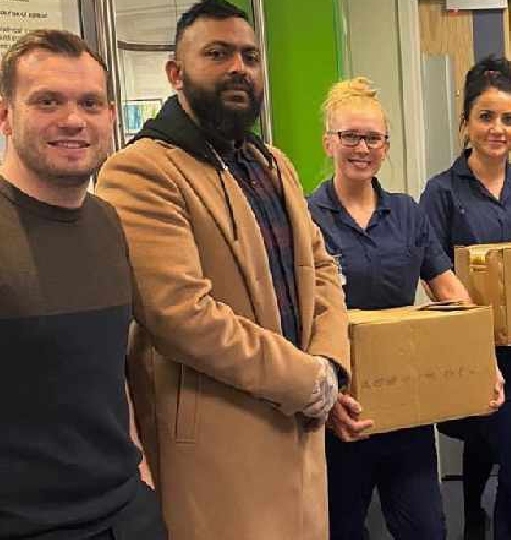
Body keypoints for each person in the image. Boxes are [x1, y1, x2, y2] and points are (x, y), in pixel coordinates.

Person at [95, 1, 350, 538]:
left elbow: (321, 268)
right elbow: (180, 315)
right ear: (175, 73)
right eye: (217, 54)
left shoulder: (269, 163)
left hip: (299, 432)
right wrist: (307, 380)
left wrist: (330, 363)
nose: (239, 67)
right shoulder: (140, 170)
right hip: (219, 448)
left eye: (250, 56)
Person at [306, 76, 504, 540]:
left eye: (373, 138)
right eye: (350, 136)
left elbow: (448, 287)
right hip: (338, 406)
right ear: (328, 142)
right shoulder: (306, 217)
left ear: (386, 145)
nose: (362, 148)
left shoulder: (407, 212)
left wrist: (483, 362)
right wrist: (324, 397)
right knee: (341, 528)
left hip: (405, 403)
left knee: (426, 528)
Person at [0, 28, 167, 540]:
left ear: (111, 117)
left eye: (90, 103)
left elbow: (110, 369)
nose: (73, 119)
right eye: (47, 101)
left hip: (126, 515)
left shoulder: (107, 223)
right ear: (5, 114)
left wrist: (143, 483)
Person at [421, 55, 511, 540]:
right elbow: (433, 270)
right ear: (465, 123)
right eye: (486, 116)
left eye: (508, 119)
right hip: (483, 359)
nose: (498, 129)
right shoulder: (441, 192)